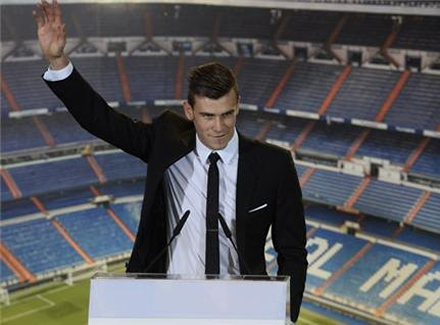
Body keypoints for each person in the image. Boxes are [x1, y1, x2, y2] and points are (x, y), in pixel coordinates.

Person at [34, 0, 307, 321]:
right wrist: (58, 61)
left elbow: (292, 251)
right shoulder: (166, 141)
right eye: (207, 116)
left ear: (238, 107)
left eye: (227, 114)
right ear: (189, 111)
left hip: (240, 309)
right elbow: (101, 120)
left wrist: (286, 311)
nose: (218, 127)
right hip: (168, 306)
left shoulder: (274, 164)